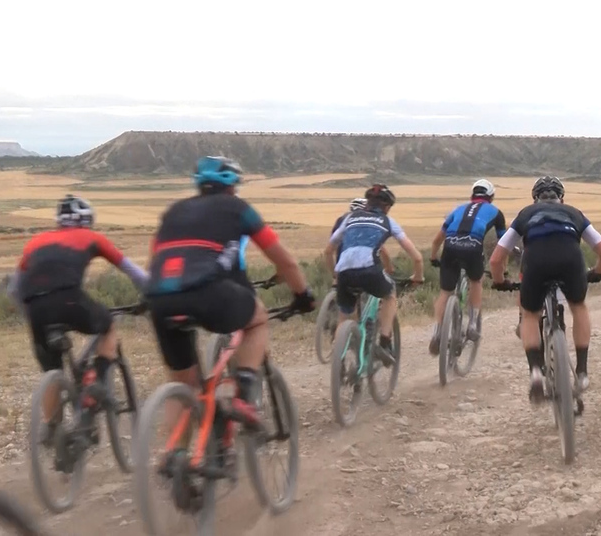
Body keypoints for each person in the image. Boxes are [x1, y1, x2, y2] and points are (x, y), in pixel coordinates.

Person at [146, 156, 315, 431]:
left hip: (160, 299)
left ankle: (175, 457)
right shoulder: (238, 209)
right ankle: (242, 390)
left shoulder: (173, 211)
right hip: (206, 292)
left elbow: (153, 263)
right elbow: (285, 262)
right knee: (258, 318)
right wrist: (303, 295)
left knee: (183, 386)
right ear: (233, 185)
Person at [7, 195, 149, 441]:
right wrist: (154, 291)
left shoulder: (36, 241)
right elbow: (133, 272)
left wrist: (30, 315)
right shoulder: (91, 237)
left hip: (35, 308)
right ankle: (96, 380)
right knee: (108, 326)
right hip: (68, 299)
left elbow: (14, 290)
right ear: (86, 221)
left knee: (52, 369)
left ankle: (52, 428)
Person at [488, 176, 601, 401]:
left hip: (535, 262)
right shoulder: (574, 213)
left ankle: (535, 371)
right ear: (562, 198)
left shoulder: (525, 214)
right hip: (571, 261)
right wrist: (596, 272)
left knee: (530, 314)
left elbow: (497, 259)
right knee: (578, 306)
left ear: (534, 198)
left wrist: (499, 281)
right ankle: (582, 372)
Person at [324, 184, 424, 366]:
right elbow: (416, 257)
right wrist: (418, 277)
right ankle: (385, 342)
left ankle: (341, 363)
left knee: (345, 317)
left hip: (344, 272)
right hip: (370, 270)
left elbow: (328, 251)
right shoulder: (387, 221)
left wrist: (336, 275)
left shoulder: (349, 219)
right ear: (386, 207)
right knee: (390, 294)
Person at [428, 179, 507, 354]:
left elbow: (436, 240)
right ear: (491, 197)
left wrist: (433, 258)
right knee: (476, 281)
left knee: (445, 292)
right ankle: (472, 324)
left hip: (450, 248)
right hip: (473, 248)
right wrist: (503, 269)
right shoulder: (496, 212)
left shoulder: (457, 209)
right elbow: (504, 244)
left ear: (472, 195)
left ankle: (437, 333)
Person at [332, 198, 393, 277]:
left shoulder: (342, 220)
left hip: (343, 266)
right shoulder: (365, 222)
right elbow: (380, 248)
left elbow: (331, 248)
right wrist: (389, 268)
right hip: (366, 267)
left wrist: (334, 275)